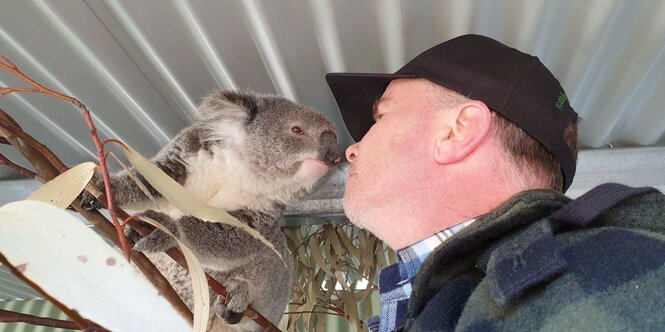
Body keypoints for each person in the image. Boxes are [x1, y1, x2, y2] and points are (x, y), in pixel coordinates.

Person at [326, 34, 665, 331]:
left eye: (382, 116)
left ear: (459, 131)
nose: (352, 149)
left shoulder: (603, 274)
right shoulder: (472, 299)